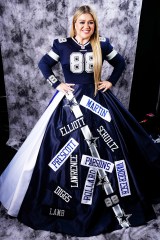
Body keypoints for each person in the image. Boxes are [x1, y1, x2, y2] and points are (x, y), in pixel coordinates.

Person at [0, 5, 160, 237]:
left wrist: (110, 82)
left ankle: (110, 196)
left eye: (90, 23)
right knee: (63, 146)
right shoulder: (62, 45)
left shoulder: (101, 44)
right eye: (81, 22)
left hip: (97, 100)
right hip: (70, 102)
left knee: (109, 146)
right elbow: (44, 64)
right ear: (74, 24)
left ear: (94, 25)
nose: (86, 26)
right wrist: (57, 84)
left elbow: (120, 63)